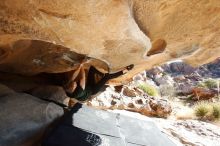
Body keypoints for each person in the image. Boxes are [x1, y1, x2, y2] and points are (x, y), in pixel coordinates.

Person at [66, 64, 134, 101]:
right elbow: (82, 77)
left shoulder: (67, 86)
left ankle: (103, 74)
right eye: (75, 84)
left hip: (87, 88)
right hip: (92, 91)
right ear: (74, 88)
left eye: (73, 82)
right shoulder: (79, 90)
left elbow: (74, 76)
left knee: (92, 69)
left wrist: (79, 66)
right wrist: (82, 65)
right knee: (107, 77)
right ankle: (125, 70)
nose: (75, 82)